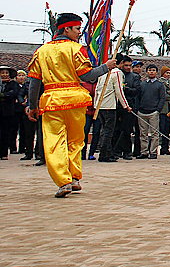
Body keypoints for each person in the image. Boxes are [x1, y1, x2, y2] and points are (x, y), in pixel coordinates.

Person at [26, 13, 116, 197]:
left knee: (54, 142)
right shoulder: (76, 49)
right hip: (75, 101)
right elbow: (86, 76)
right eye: (76, 29)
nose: (79, 33)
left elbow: (34, 82)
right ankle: (74, 178)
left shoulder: (41, 51)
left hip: (52, 101)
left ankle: (63, 181)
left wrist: (32, 105)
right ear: (66, 28)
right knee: (75, 141)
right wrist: (106, 66)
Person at [93, 54, 131, 162]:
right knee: (108, 131)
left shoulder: (103, 72)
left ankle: (108, 152)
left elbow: (97, 90)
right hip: (109, 106)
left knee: (105, 130)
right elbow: (119, 90)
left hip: (100, 106)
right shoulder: (117, 73)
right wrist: (126, 106)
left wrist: (96, 105)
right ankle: (104, 154)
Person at [110, 56, 140, 160]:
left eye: (129, 65)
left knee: (127, 130)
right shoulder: (117, 74)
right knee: (117, 129)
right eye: (125, 65)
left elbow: (135, 90)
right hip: (118, 106)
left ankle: (127, 151)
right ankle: (116, 151)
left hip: (130, 105)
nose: (127, 67)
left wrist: (124, 89)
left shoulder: (135, 77)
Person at [136, 64, 167, 159]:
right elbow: (138, 97)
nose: (151, 72)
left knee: (154, 133)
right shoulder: (142, 84)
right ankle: (144, 151)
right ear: (147, 72)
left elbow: (162, 98)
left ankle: (153, 152)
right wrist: (137, 109)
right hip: (142, 112)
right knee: (143, 134)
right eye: (149, 70)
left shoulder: (160, 85)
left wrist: (158, 110)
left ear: (157, 72)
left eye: (153, 70)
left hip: (154, 112)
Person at [14, 70, 37, 161]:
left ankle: (39, 153)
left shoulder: (44, 83)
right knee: (28, 133)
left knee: (40, 133)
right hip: (28, 109)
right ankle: (28, 152)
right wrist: (23, 102)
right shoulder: (27, 84)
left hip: (41, 108)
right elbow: (20, 95)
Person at [0, 66, 19, 160]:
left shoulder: (13, 84)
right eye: (2, 73)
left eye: (6, 73)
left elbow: (13, 94)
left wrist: (3, 95)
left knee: (6, 132)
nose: (4, 75)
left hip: (8, 112)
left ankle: (4, 153)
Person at [158, 66, 170, 155]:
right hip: (162, 108)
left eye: (169, 73)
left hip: (169, 108)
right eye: (166, 73)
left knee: (167, 129)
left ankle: (165, 147)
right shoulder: (160, 82)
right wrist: (169, 93)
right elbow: (164, 94)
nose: (168, 75)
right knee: (161, 127)